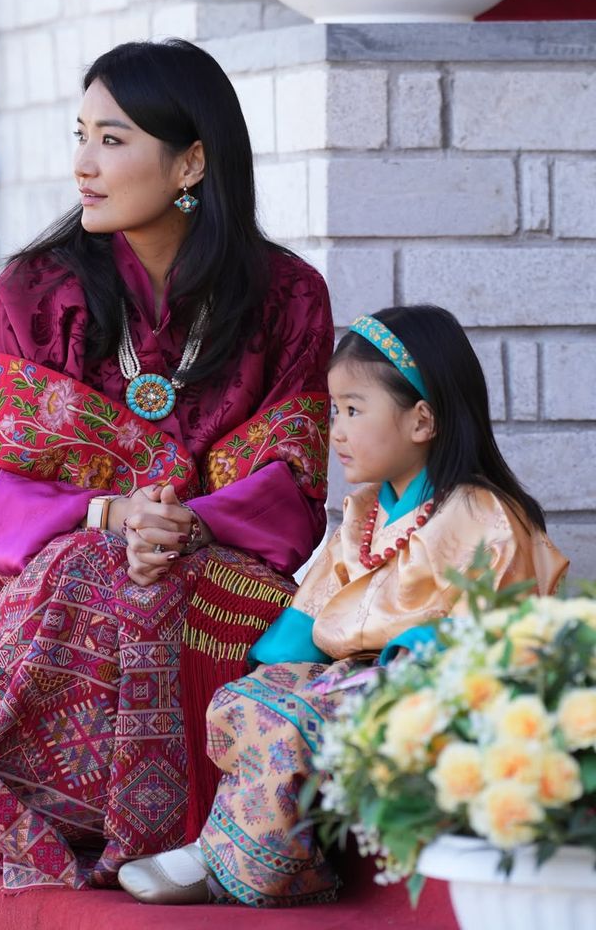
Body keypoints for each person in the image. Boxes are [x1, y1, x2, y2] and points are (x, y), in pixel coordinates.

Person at [0, 39, 334, 891]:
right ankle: (134, 831)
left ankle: (196, 841)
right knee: (105, 574)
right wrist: (113, 517)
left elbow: (296, 493)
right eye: (79, 134)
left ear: (192, 159)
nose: (84, 164)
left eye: (112, 140)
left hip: (219, 568)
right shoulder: (34, 293)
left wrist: (188, 522)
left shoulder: (289, 296)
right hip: (57, 579)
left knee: (179, 590)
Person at [117, 304, 569, 908]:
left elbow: (499, 632)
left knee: (295, 720)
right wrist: (272, 669)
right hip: (348, 678)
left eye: (354, 410)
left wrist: (403, 664)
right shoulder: (362, 514)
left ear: (422, 421)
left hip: (426, 684)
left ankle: (226, 866)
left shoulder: (481, 516)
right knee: (247, 700)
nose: (336, 431)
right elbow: (314, 609)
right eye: (335, 411)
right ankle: (284, 863)